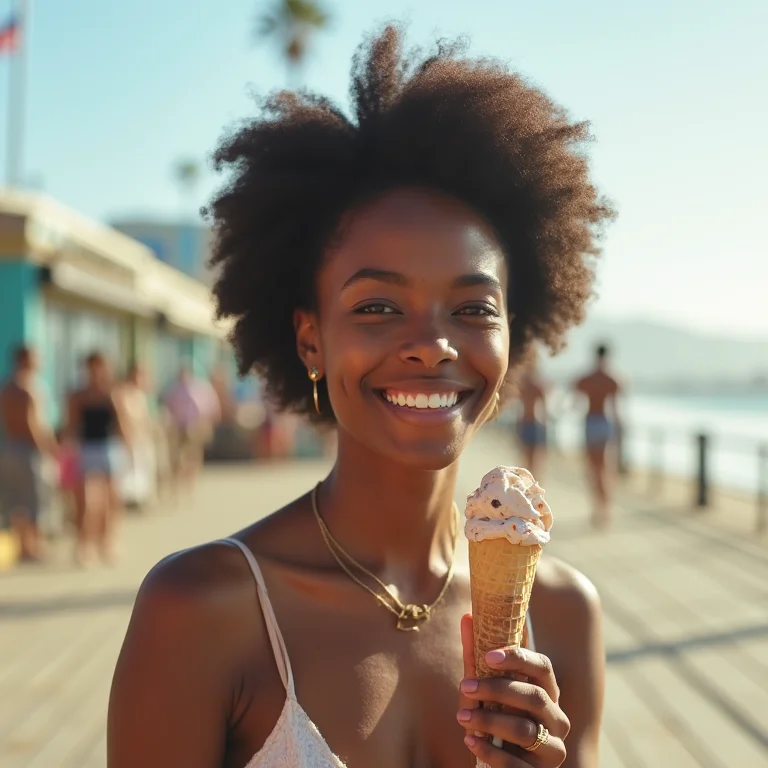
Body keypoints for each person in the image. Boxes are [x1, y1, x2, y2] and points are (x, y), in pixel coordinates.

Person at [108, 25, 613, 768]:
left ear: (516, 332)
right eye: (378, 306)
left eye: (473, 309)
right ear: (310, 338)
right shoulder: (202, 610)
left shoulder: (564, 616)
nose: (432, 344)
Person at [66, 352, 130, 565]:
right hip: (87, 448)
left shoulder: (113, 393)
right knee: (85, 501)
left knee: (111, 501)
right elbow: (72, 424)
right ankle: (84, 544)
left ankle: (107, 542)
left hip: (109, 448)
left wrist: (128, 449)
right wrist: (67, 450)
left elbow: (122, 424)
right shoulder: (78, 395)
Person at [0, 346, 57, 561]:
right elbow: (32, 424)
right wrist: (48, 448)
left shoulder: (6, 387)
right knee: (35, 499)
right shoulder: (29, 388)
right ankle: (34, 546)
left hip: (9, 448)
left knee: (14, 499)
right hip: (29, 450)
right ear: (26, 360)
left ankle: (21, 545)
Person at [573, 344, 622, 528]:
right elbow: (616, 411)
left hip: (591, 421)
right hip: (604, 422)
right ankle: (605, 509)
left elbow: (575, 401)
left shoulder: (587, 378)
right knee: (605, 468)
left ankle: (598, 509)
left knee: (593, 469)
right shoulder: (612, 379)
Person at [162, 366, 221, 493]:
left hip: (195, 426)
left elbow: (211, 406)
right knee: (179, 456)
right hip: (179, 427)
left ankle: (190, 481)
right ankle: (180, 481)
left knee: (193, 455)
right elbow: (168, 406)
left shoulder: (200, 388)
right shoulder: (174, 389)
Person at [117, 363, 157, 508]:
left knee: (141, 470)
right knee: (129, 472)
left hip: (141, 439)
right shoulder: (123, 393)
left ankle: (138, 498)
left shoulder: (140, 395)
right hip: (130, 440)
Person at [516, 362, 548, 480]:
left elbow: (544, 407)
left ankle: (533, 484)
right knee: (529, 457)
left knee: (532, 458)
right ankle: (531, 484)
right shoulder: (531, 386)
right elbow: (544, 408)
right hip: (530, 422)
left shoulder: (528, 386)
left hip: (530, 422)